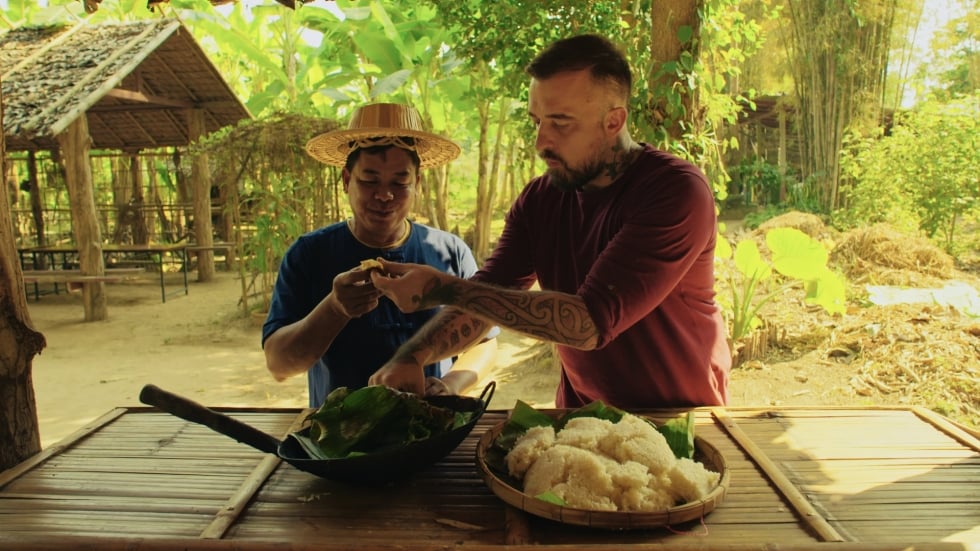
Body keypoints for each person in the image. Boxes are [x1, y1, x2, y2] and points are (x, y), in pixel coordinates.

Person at [367, 34, 731, 409]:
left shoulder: (674, 192)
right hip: (581, 417)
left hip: (681, 417)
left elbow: (589, 322)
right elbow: (490, 293)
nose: (541, 141)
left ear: (614, 121)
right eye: (537, 121)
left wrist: (446, 289)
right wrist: (412, 356)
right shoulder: (540, 199)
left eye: (560, 123)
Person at [262, 103, 497, 407]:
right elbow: (279, 365)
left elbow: (485, 342)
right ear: (346, 180)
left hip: (432, 432)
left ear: (417, 184)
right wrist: (335, 308)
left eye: (399, 183)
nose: (384, 195)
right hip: (341, 441)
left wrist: (451, 384)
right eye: (369, 180)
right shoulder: (309, 255)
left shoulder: (451, 252)